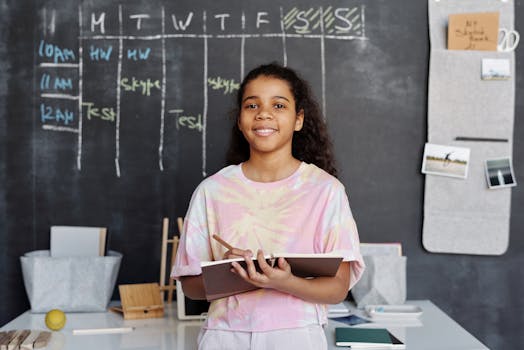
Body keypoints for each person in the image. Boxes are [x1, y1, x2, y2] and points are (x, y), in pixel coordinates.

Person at [172, 63, 364, 350]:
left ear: (298, 119)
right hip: (226, 336)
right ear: (239, 119)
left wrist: (283, 281)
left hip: (298, 336)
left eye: (278, 105)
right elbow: (190, 286)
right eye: (252, 105)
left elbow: (337, 287)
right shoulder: (211, 191)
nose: (264, 113)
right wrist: (235, 275)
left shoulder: (326, 191)